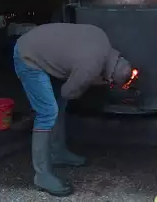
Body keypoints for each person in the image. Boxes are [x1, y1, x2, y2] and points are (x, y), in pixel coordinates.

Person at [12, 23, 134, 196]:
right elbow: (67, 92)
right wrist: (91, 80)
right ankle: (42, 175)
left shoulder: (102, 37)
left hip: (39, 44)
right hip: (28, 57)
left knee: (58, 105)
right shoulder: (90, 67)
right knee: (48, 112)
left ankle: (57, 152)